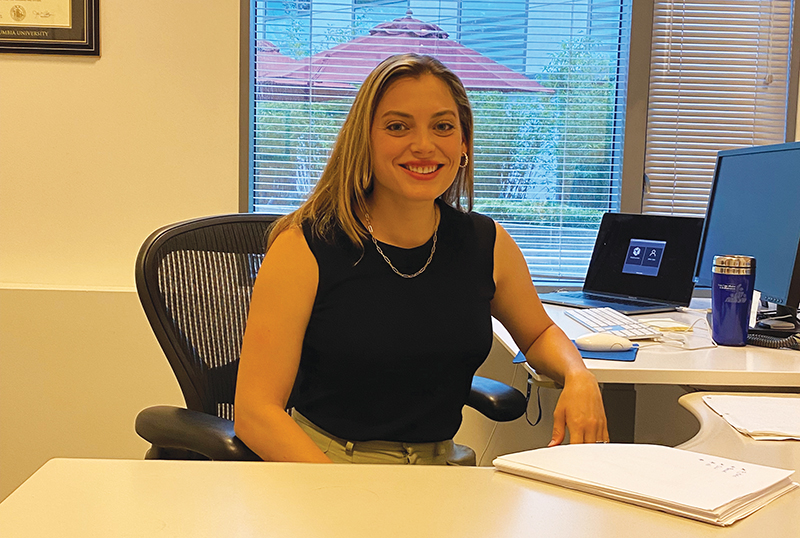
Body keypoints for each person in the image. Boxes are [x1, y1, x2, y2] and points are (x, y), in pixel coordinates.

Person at [234, 53, 608, 464]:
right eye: (398, 126)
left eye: (443, 127)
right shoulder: (305, 245)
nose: (424, 145)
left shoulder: (486, 242)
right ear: (365, 140)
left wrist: (577, 373)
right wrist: (338, 495)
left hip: (440, 470)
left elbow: (538, 334)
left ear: (463, 144)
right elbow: (256, 413)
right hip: (324, 468)